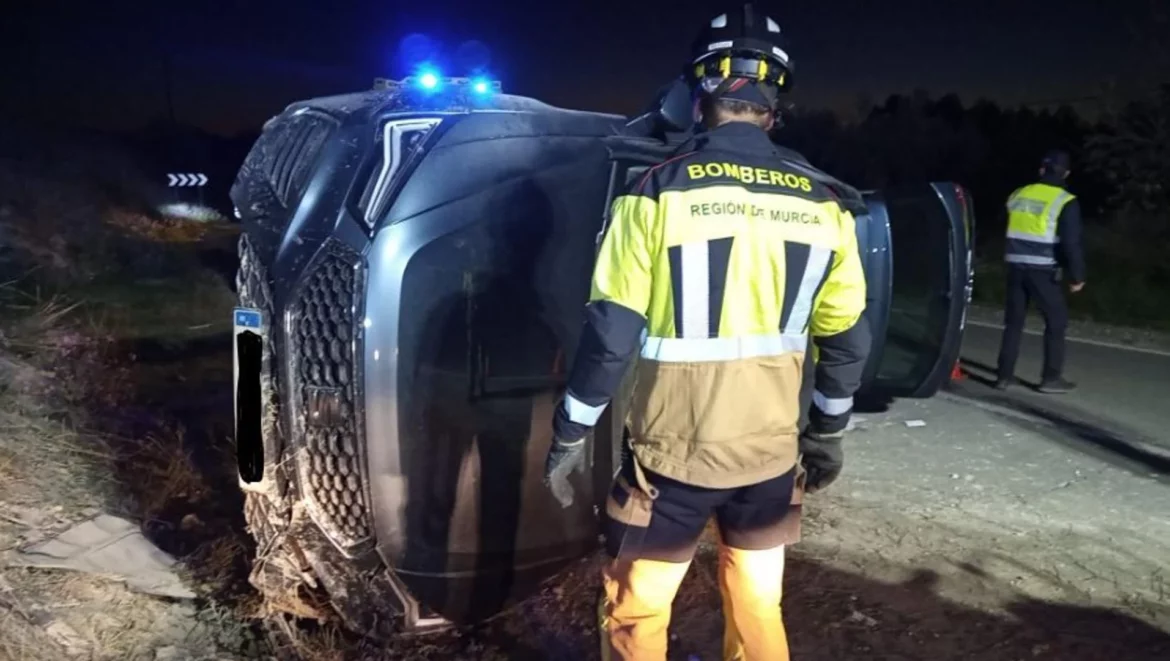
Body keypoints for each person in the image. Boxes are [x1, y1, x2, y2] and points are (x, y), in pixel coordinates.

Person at [542, 5, 871, 659]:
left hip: (672, 463)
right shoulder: (826, 204)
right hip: (771, 460)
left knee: (638, 612)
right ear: (775, 107)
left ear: (696, 97)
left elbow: (611, 336)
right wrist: (827, 434)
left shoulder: (652, 195)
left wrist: (570, 433)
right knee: (756, 605)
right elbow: (848, 340)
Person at [996, 150, 1086, 393]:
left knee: (1014, 323)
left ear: (1041, 170)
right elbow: (1071, 243)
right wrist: (1077, 276)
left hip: (1015, 266)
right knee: (1056, 321)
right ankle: (1051, 378)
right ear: (1066, 173)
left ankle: (1004, 376)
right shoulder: (1065, 200)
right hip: (1042, 269)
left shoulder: (1018, 194)